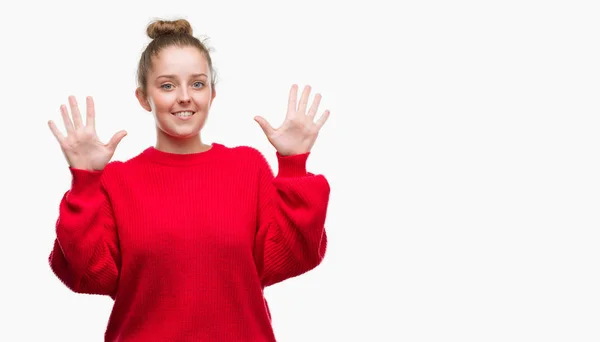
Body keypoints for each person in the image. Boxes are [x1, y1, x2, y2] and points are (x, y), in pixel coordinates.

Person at [47, 18, 331, 342]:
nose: (184, 97)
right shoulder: (118, 180)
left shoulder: (247, 167)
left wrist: (293, 165)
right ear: (143, 97)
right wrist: (85, 182)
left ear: (212, 94)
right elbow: (87, 276)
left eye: (197, 84)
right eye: (167, 85)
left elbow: (292, 257)